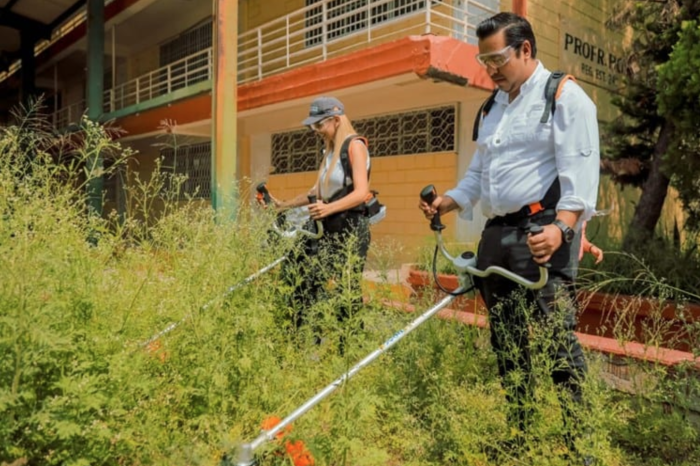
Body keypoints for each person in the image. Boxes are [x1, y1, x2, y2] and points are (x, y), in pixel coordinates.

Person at [418, 12, 599, 463]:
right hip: (497, 234)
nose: (491, 68)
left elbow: (581, 178)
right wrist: (450, 202)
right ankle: (521, 434)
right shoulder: (492, 106)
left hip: (545, 231)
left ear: (525, 49)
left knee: (558, 339)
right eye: (484, 60)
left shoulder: (562, 96)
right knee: (508, 339)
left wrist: (563, 230)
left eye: (497, 58)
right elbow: (479, 173)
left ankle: (581, 447)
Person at [268, 96, 372, 352]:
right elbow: (315, 192)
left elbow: (361, 192)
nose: (315, 131)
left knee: (345, 291)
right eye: (312, 127)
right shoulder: (329, 152)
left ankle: (350, 351)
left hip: (350, 227)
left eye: (319, 125)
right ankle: (304, 343)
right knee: (304, 279)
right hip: (327, 227)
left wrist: (329, 208)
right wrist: (283, 204)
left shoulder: (354, 146)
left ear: (336, 120)